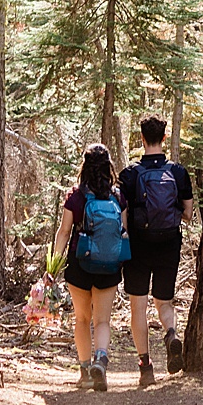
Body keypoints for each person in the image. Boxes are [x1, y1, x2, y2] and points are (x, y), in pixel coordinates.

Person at [118, 115, 193, 386]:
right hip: (168, 242)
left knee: (138, 306)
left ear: (141, 138)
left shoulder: (129, 175)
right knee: (165, 301)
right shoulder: (178, 172)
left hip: (138, 245)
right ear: (164, 137)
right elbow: (188, 213)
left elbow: (122, 217)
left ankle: (145, 366)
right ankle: (171, 333)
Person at [51, 144, 128, 391]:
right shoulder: (117, 197)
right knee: (103, 320)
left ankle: (84, 372)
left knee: (82, 319)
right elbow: (122, 232)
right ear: (108, 167)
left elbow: (64, 233)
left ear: (84, 167)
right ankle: (101, 360)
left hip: (79, 265)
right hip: (109, 265)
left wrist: (53, 266)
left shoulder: (75, 197)